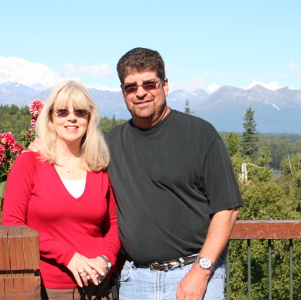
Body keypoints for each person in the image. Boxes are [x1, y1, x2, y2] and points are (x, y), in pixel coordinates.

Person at [104, 47, 243, 300]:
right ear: (123, 92)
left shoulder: (200, 135)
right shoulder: (111, 143)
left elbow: (228, 208)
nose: (141, 92)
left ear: (165, 85)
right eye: (131, 87)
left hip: (194, 276)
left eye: (149, 84)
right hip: (135, 280)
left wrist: (200, 273)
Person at [2, 80, 120, 300]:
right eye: (62, 112)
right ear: (50, 118)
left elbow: (113, 225)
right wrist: (68, 257)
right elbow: (12, 225)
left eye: (80, 112)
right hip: (49, 289)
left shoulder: (99, 168)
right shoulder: (29, 164)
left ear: (90, 118)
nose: (72, 118)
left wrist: (105, 259)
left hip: (101, 288)